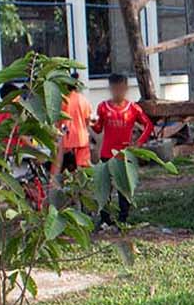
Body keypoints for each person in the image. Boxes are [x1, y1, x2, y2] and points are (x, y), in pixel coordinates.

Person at [92, 73, 153, 228]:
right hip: (107, 154)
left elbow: (148, 125)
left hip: (124, 155)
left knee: (124, 188)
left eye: (120, 88)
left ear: (125, 88)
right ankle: (105, 218)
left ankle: (123, 219)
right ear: (110, 89)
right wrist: (90, 123)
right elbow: (98, 129)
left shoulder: (132, 108)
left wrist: (138, 143)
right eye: (114, 88)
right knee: (104, 187)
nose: (117, 91)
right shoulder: (103, 107)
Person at [55, 78, 94, 178]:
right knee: (83, 171)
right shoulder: (83, 99)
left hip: (68, 140)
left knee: (67, 172)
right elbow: (87, 120)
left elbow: (58, 122)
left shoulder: (63, 100)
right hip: (82, 139)